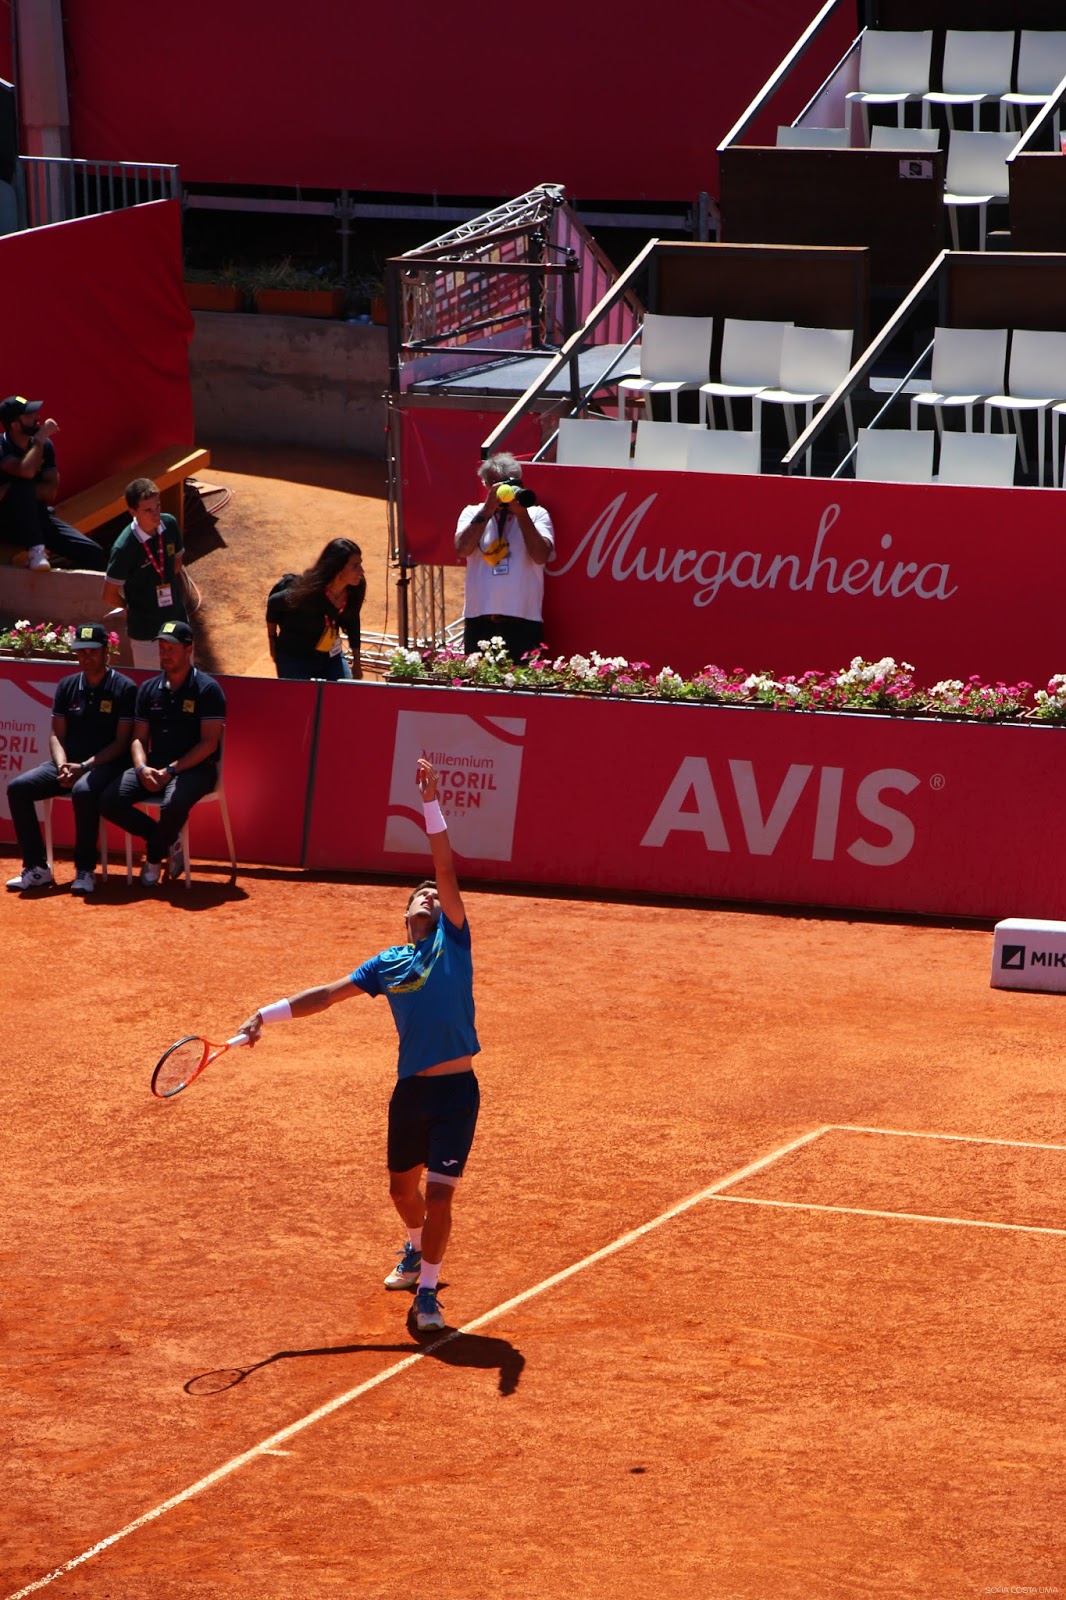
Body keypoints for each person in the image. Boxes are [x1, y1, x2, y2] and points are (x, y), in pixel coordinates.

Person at [239, 757, 478, 1335]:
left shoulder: (455, 939)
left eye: (433, 893)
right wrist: (264, 1015)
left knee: (440, 1197)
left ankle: (427, 1296)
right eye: (418, 894)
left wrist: (430, 803)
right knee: (403, 1192)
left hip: (457, 1093)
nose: (427, 895)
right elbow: (325, 995)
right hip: (410, 1094)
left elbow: (443, 864)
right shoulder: (388, 964)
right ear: (403, 913)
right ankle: (415, 1248)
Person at [5, 623, 135, 894]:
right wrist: (63, 764)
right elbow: (56, 735)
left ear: (106, 652)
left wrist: (85, 766)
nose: (86, 658)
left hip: (106, 765)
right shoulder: (67, 686)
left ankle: (85, 870)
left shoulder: (125, 689)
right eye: (81, 652)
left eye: (93, 652)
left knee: (84, 791)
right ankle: (37, 868)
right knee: (18, 788)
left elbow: (122, 742)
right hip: (68, 764)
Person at [99, 619, 226, 886]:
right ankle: (168, 839)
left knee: (172, 805)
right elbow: (138, 739)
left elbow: (209, 744)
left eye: (172, 648)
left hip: (196, 768)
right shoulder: (148, 689)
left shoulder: (208, 690)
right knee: (108, 800)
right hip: (155, 765)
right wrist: (142, 768)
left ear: (189, 649)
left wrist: (171, 771)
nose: (165, 654)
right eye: (162, 648)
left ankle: (154, 857)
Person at [455, 451, 554, 662]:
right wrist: (488, 509)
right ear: (486, 485)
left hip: (523, 620)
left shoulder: (537, 514)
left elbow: (540, 556)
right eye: (497, 485)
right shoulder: (472, 513)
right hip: (480, 619)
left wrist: (521, 514)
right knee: (478, 686)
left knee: (522, 689)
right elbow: (462, 549)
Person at [0, 396, 107, 572]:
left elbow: (50, 492)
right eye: (29, 415)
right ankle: (36, 550)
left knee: (93, 553)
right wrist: (39, 439)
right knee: (23, 483)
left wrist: (11, 489)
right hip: (5, 523)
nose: (37, 417)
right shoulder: (3, 446)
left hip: (36, 516)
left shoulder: (45, 446)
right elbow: (26, 471)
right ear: (15, 425)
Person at [102, 478, 189, 669]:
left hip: (177, 621)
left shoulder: (170, 524)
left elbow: (176, 561)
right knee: (151, 687)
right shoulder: (124, 548)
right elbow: (109, 594)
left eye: (158, 506)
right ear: (133, 512)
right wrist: (131, 607)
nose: (156, 514)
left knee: (185, 681)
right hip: (145, 633)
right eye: (148, 510)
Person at [265, 537, 365, 681]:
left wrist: (357, 662)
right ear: (338, 568)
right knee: (300, 698)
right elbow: (274, 602)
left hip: (330, 655)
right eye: (355, 566)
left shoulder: (355, 589)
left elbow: (353, 620)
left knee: (343, 694)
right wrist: (272, 640)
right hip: (295, 656)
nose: (361, 571)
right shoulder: (307, 593)